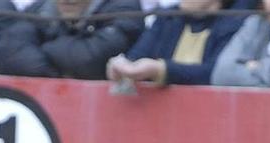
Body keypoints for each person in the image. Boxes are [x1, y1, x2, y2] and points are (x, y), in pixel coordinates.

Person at [105, 0, 252, 86]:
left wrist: (161, 70)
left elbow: (216, 73)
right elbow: (136, 56)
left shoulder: (234, 24)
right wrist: (122, 66)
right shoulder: (167, 18)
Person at [0, 0, 144, 80]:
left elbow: (89, 60)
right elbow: (10, 53)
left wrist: (43, 48)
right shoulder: (39, 9)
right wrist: (59, 74)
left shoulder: (124, 7)